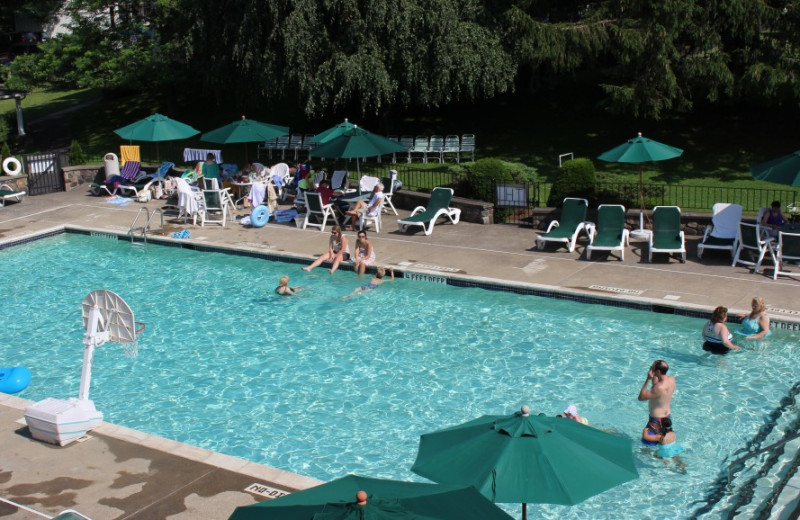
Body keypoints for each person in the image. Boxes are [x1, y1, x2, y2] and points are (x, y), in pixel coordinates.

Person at [637, 360, 676, 445]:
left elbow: (641, 397)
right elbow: (657, 387)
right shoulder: (672, 380)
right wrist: (655, 376)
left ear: (657, 371)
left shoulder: (659, 388)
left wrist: (648, 379)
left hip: (656, 421)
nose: (651, 369)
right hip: (667, 418)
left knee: (646, 448)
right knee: (664, 442)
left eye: (652, 368)